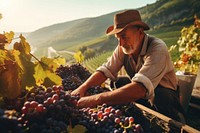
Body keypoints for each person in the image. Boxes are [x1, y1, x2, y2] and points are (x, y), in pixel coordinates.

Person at [71, 10, 185, 122]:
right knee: (117, 82)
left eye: (124, 37)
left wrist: (95, 99)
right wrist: (82, 88)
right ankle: (138, 113)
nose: (121, 43)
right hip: (144, 93)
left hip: (165, 96)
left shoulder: (157, 48)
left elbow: (140, 88)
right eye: (118, 38)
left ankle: (176, 119)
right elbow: (106, 70)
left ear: (140, 32)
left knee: (161, 96)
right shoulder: (124, 47)